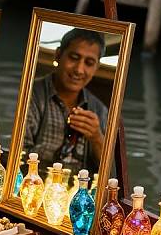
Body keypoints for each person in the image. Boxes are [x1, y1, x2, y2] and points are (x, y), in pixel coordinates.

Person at [23, 28, 108, 178]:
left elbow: (109, 174)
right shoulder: (31, 95)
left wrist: (97, 138)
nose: (79, 70)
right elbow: (19, 157)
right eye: (74, 57)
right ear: (58, 55)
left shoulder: (100, 110)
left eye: (89, 63)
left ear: (96, 68)